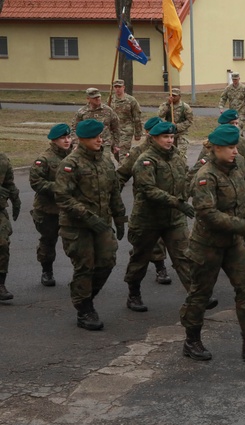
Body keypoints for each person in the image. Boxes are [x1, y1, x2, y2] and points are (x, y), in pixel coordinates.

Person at [180, 124, 245, 362]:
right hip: (207, 245)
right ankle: (191, 340)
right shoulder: (206, 176)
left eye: (235, 147)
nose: (235, 152)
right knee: (200, 294)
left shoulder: (236, 169)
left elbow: (240, 205)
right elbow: (208, 214)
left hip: (234, 243)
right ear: (215, 149)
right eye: (230, 148)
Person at [54, 119, 127, 330]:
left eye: (100, 136)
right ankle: (84, 308)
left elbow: (114, 191)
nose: (100, 140)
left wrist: (120, 218)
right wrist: (87, 216)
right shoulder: (71, 164)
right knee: (85, 266)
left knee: (107, 262)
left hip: (102, 224)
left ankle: (83, 294)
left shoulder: (105, 161)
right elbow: (63, 197)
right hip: (77, 226)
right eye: (95, 137)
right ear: (83, 140)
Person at [123, 121, 195, 312]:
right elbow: (148, 190)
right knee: (140, 258)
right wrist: (177, 202)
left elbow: (184, 181)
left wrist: (188, 195)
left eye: (172, 137)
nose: (169, 140)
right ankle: (134, 294)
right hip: (148, 219)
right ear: (154, 138)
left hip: (174, 219)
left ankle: (196, 295)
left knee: (184, 256)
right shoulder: (146, 160)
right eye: (165, 137)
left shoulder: (178, 157)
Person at [29, 123, 73, 288]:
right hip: (48, 209)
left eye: (68, 137)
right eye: (63, 138)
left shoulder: (75, 156)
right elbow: (36, 182)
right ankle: (47, 271)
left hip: (69, 209)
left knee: (75, 242)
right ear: (54, 140)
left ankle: (80, 275)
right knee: (48, 241)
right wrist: (58, 189)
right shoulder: (44, 159)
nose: (67, 140)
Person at [73, 88, 121, 158]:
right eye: (94, 98)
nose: (97, 99)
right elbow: (74, 129)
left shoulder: (108, 111)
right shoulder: (82, 112)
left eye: (98, 97)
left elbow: (116, 128)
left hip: (104, 144)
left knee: (105, 163)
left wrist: (116, 144)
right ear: (88, 98)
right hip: (88, 144)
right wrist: (76, 143)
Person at [0, 148, 20, 302]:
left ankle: (0, 284)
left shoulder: (2, 159)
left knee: (2, 244)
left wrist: (15, 200)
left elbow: (9, 182)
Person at [110, 79, 142, 161]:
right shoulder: (110, 99)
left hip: (126, 130)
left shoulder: (131, 100)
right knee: (115, 152)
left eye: (119, 87)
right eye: (116, 87)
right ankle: (125, 166)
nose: (117, 89)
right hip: (114, 131)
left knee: (122, 153)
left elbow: (137, 117)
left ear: (123, 87)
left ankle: (122, 171)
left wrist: (138, 133)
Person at [157, 88, 194, 159]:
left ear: (179, 96)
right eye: (171, 95)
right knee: (168, 154)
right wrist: (168, 104)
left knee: (180, 155)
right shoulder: (166, 105)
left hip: (181, 133)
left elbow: (189, 121)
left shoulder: (185, 107)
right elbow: (160, 115)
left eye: (174, 96)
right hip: (169, 134)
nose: (172, 97)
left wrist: (177, 126)